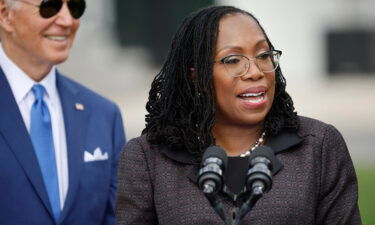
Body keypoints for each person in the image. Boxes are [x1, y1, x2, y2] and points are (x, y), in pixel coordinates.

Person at [115, 5, 361, 225]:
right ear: (196, 76)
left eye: (264, 55)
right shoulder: (148, 159)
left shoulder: (318, 146)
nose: (255, 71)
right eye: (233, 60)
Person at [0, 0, 125, 224]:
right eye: (50, 6)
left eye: (75, 7)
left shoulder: (104, 115)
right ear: (5, 14)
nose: (68, 21)